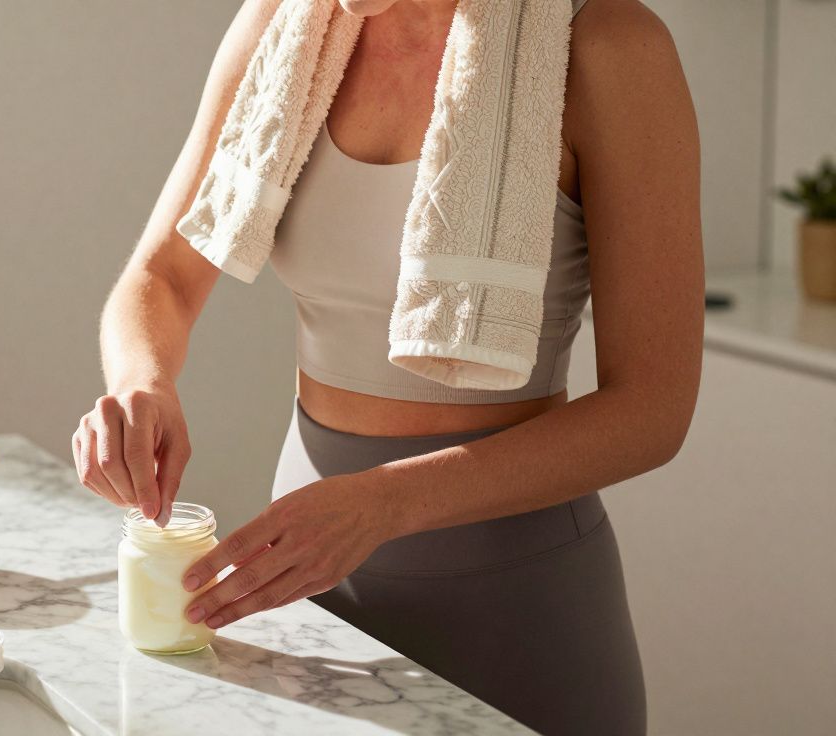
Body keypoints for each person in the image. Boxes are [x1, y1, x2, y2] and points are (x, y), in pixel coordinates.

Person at [71, 0, 702, 732]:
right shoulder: (283, 21)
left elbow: (652, 408)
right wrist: (141, 382)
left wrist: (386, 503)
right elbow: (163, 276)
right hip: (303, 593)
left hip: (517, 613)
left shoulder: (608, 46)